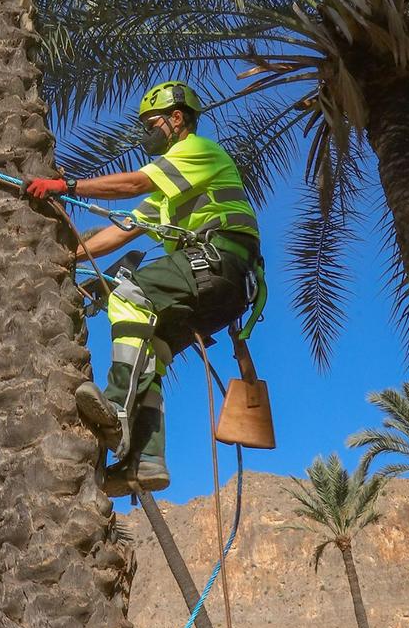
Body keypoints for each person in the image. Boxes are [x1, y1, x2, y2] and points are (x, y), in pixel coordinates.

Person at [26, 80, 264, 492]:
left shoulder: (198, 152)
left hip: (220, 262)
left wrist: (67, 187)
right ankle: (147, 461)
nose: (145, 134)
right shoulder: (170, 195)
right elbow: (121, 232)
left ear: (177, 119)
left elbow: (135, 183)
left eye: (151, 123)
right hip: (223, 289)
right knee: (154, 350)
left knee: (129, 292)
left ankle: (116, 408)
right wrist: (65, 259)